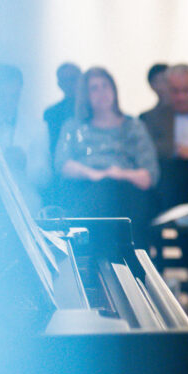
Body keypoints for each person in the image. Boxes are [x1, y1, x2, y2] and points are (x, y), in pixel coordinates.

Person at [52, 66, 159, 245]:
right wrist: (93, 174)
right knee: (98, 195)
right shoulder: (73, 127)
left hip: (126, 191)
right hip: (86, 189)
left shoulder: (133, 126)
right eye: (94, 88)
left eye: (105, 86)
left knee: (119, 197)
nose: (101, 92)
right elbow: (62, 165)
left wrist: (117, 173)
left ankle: (127, 264)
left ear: (114, 90)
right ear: (85, 95)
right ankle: (98, 263)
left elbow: (149, 176)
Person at [0, 63, 51, 213]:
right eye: (1, 95)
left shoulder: (38, 128)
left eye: (14, 96)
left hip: (25, 208)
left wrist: (25, 165)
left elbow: (45, 178)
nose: (8, 101)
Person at [43, 62, 82, 156]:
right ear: (59, 84)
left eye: (73, 79)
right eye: (65, 80)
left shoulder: (97, 110)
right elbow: (50, 148)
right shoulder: (51, 114)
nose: (69, 84)